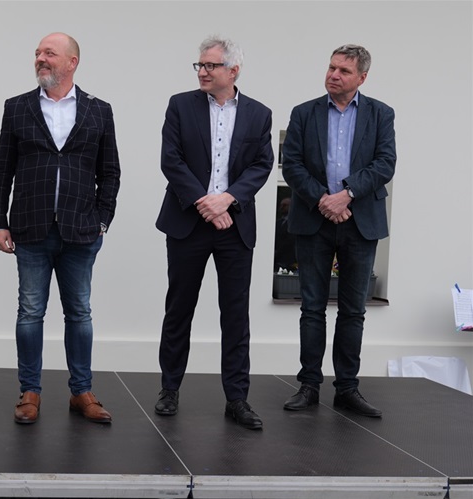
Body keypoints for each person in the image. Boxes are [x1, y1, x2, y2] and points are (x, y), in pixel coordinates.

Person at [0, 32, 120, 425]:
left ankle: (82, 391)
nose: (40, 59)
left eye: (49, 53)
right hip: (30, 228)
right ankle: (29, 391)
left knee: (80, 313)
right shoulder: (18, 107)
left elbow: (110, 172)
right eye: (38, 53)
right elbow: (2, 169)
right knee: (30, 312)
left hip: (81, 230)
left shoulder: (99, 110)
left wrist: (102, 220)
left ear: (72, 62)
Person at [154, 37, 274, 430]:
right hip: (188, 222)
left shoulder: (259, 114)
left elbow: (262, 165)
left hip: (234, 226)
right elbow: (171, 160)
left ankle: (237, 399)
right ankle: (169, 388)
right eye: (200, 65)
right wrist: (205, 202)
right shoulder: (180, 105)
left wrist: (228, 200)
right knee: (179, 308)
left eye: (211, 66)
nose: (202, 72)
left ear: (233, 70)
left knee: (236, 315)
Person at [281, 44, 396, 417]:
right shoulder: (304, 113)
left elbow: (385, 163)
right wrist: (324, 200)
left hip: (360, 223)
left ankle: (347, 388)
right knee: (312, 308)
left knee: (353, 310)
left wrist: (346, 194)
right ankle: (309, 385)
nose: (333, 75)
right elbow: (291, 164)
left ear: (362, 77)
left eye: (344, 71)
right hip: (314, 220)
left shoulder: (381, 114)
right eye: (331, 67)